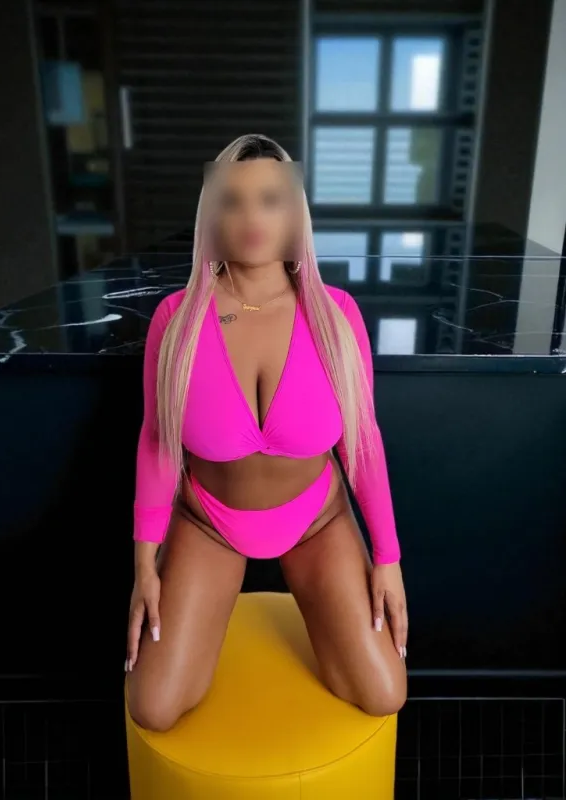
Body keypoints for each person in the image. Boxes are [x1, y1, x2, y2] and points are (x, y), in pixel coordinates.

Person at [126, 134, 408, 732]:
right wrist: (144, 565)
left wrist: (388, 559)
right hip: (208, 520)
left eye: (271, 200)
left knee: (384, 693)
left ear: (294, 214)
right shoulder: (176, 319)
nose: (252, 217)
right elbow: (157, 441)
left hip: (316, 519)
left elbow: (362, 443)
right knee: (153, 707)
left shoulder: (337, 315)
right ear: (212, 215)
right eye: (233, 201)